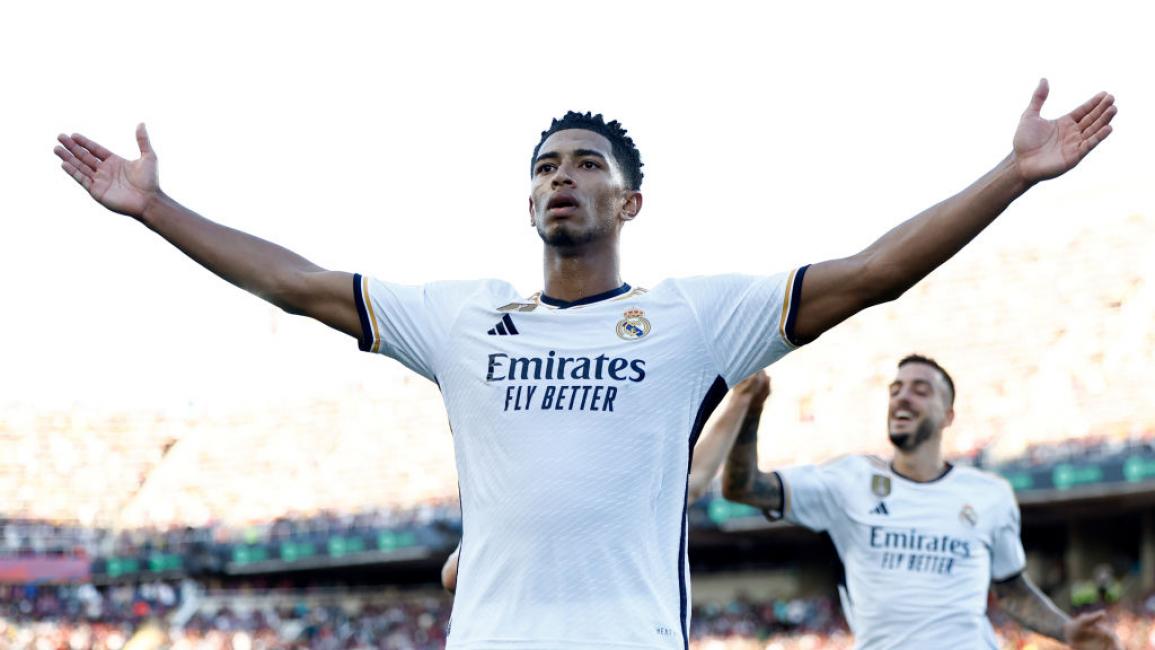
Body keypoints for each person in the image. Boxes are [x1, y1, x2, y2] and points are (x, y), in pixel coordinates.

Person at [54, 80, 1115, 649]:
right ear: (528, 200)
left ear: (629, 200)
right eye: (545, 167)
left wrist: (1012, 175)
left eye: (586, 164)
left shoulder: (693, 319)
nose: (561, 177)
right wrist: (156, 208)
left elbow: (875, 272)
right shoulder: (462, 319)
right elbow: (298, 283)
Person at [721, 355, 1122, 649]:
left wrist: (1066, 629)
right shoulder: (848, 480)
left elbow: (1011, 589)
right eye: (895, 390)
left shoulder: (989, 494)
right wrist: (750, 409)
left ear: (948, 415)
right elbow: (743, 487)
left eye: (920, 390)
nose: (902, 397)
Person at [440, 372, 772, 594]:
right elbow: (453, 574)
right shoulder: (575, 498)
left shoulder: (530, 501)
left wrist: (743, 400)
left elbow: (454, 575)